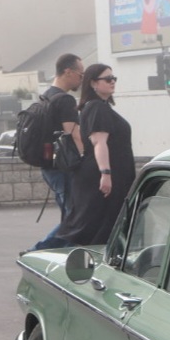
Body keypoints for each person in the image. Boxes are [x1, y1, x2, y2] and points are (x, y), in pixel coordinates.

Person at [57, 64, 136, 247]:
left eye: (114, 78)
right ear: (93, 83)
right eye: (107, 79)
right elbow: (99, 142)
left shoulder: (100, 107)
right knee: (98, 225)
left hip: (108, 174)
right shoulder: (96, 108)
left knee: (101, 223)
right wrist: (106, 174)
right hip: (101, 176)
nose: (112, 82)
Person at [31, 53, 84, 251]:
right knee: (75, 219)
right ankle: (38, 252)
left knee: (69, 216)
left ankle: (59, 255)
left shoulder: (47, 95)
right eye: (81, 74)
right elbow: (74, 134)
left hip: (49, 167)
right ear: (68, 72)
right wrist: (86, 158)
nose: (82, 79)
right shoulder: (65, 100)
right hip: (63, 168)